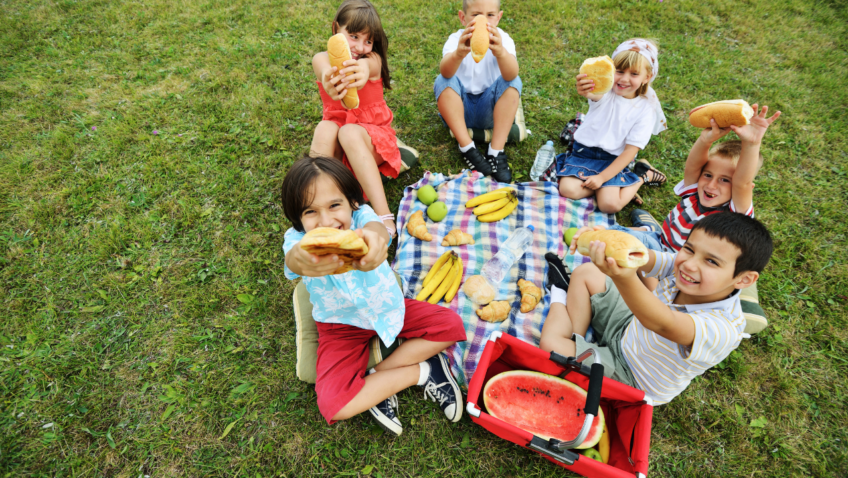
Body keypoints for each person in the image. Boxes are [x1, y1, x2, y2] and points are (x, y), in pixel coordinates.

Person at [282, 156, 467, 436]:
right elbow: (294, 260)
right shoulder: (297, 240)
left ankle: (376, 381)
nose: (326, 221)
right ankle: (421, 373)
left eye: (334, 205)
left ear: (351, 202)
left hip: (390, 308)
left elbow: (377, 230)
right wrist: (302, 258)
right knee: (333, 405)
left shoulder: (362, 217)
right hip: (339, 327)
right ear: (298, 218)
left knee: (452, 325)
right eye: (310, 212)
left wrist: (374, 243)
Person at [540, 212, 774, 404]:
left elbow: (662, 322)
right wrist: (597, 238)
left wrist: (624, 278)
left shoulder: (723, 328)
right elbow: (642, 257)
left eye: (711, 261)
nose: (690, 264)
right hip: (628, 330)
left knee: (551, 345)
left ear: (743, 280)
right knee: (587, 272)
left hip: (632, 377)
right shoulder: (682, 267)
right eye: (689, 249)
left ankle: (559, 292)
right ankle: (576, 339)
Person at [623, 104, 781, 253]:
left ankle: (648, 229)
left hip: (678, 268)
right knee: (609, 234)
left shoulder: (734, 214)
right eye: (708, 175)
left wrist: (752, 144)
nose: (711, 184)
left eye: (725, 180)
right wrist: (705, 140)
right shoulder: (695, 190)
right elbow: (693, 166)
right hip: (660, 241)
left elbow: (742, 183)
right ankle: (650, 229)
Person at [310, 0, 401, 238]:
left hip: (373, 142)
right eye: (353, 36)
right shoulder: (321, 59)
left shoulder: (373, 60)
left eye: (368, 40)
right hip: (340, 151)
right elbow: (322, 69)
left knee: (348, 132)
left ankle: (383, 217)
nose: (361, 46)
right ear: (335, 30)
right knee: (325, 129)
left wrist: (360, 69)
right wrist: (329, 80)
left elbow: (369, 66)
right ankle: (313, 205)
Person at [556, 39, 668, 214]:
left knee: (610, 206)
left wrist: (602, 178)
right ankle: (617, 186)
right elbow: (592, 94)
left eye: (634, 74)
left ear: (647, 77)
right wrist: (584, 88)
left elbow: (630, 151)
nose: (624, 79)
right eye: (619, 71)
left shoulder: (646, 109)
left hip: (613, 160)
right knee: (568, 190)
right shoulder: (606, 92)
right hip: (583, 153)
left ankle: (641, 175)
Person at [434, 0, 520, 183]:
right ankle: (467, 148)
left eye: (490, 15)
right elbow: (445, 72)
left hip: (490, 111)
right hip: (459, 111)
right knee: (442, 80)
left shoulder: (503, 40)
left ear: (498, 17)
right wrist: (458, 53)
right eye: (476, 15)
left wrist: (501, 53)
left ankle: (496, 151)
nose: (484, 20)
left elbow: (511, 73)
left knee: (513, 81)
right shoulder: (455, 39)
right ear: (462, 18)